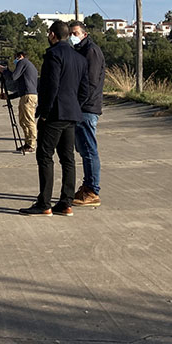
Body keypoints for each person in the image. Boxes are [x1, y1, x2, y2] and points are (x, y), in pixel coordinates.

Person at [20, 21, 89, 217]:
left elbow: (51, 86)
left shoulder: (53, 55)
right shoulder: (79, 58)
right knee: (68, 159)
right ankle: (66, 202)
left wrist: (44, 113)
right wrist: (75, 105)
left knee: (44, 156)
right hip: (72, 113)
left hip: (55, 113)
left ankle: (44, 203)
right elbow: (85, 90)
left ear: (52, 35)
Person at [69, 21, 106, 207]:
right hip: (82, 107)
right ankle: (88, 186)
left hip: (87, 108)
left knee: (89, 150)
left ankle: (92, 190)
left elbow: (90, 84)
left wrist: (78, 105)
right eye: (70, 33)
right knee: (84, 150)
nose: (72, 36)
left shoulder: (91, 51)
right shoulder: (79, 50)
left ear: (84, 34)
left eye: (75, 32)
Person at [0, 51, 39, 153]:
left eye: (15, 58)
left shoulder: (23, 62)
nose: (15, 61)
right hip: (27, 95)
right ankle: (27, 143)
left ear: (20, 56)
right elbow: (24, 88)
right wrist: (9, 97)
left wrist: (4, 71)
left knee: (29, 120)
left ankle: (31, 144)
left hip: (28, 97)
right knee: (23, 121)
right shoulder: (30, 66)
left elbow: (13, 77)